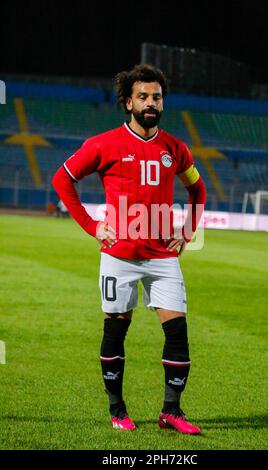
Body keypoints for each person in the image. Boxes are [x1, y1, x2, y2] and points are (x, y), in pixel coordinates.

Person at [52, 64, 206, 435]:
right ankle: (117, 408)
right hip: (118, 256)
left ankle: (171, 411)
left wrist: (185, 232)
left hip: (163, 259)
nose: (151, 103)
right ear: (127, 102)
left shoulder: (175, 149)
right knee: (116, 332)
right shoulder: (103, 144)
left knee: (178, 333)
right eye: (143, 96)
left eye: (156, 96)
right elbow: (62, 179)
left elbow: (197, 191)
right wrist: (92, 226)